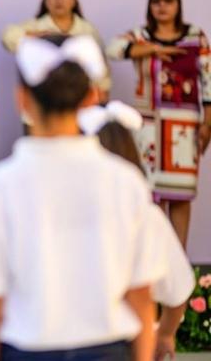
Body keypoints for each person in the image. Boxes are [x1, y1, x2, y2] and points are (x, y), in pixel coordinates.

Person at [0, 35, 162, 361]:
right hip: (111, 349)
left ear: (22, 100)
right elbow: (142, 299)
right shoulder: (126, 181)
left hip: (27, 350)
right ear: (92, 96)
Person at [78, 101, 195, 361]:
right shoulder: (143, 213)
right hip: (120, 347)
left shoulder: (59, 208)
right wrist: (165, 333)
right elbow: (177, 291)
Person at [107, 0, 211, 249]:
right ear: (149, 6)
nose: (162, 5)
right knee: (151, 195)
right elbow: (114, 48)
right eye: (157, 0)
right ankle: (154, 263)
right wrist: (153, 49)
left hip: (184, 127)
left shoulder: (195, 36)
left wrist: (207, 122)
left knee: (181, 194)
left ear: (178, 5)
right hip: (149, 125)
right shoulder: (141, 36)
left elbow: (208, 82)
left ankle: (180, 261)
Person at [1, 0, 110, 98]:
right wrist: (33, 36)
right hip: (42, 98)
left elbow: (102, 74)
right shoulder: (36, 26)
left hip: (79, 101)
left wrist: (102, 98)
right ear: (46, 0)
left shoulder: (87, 30)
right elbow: (7, 37)